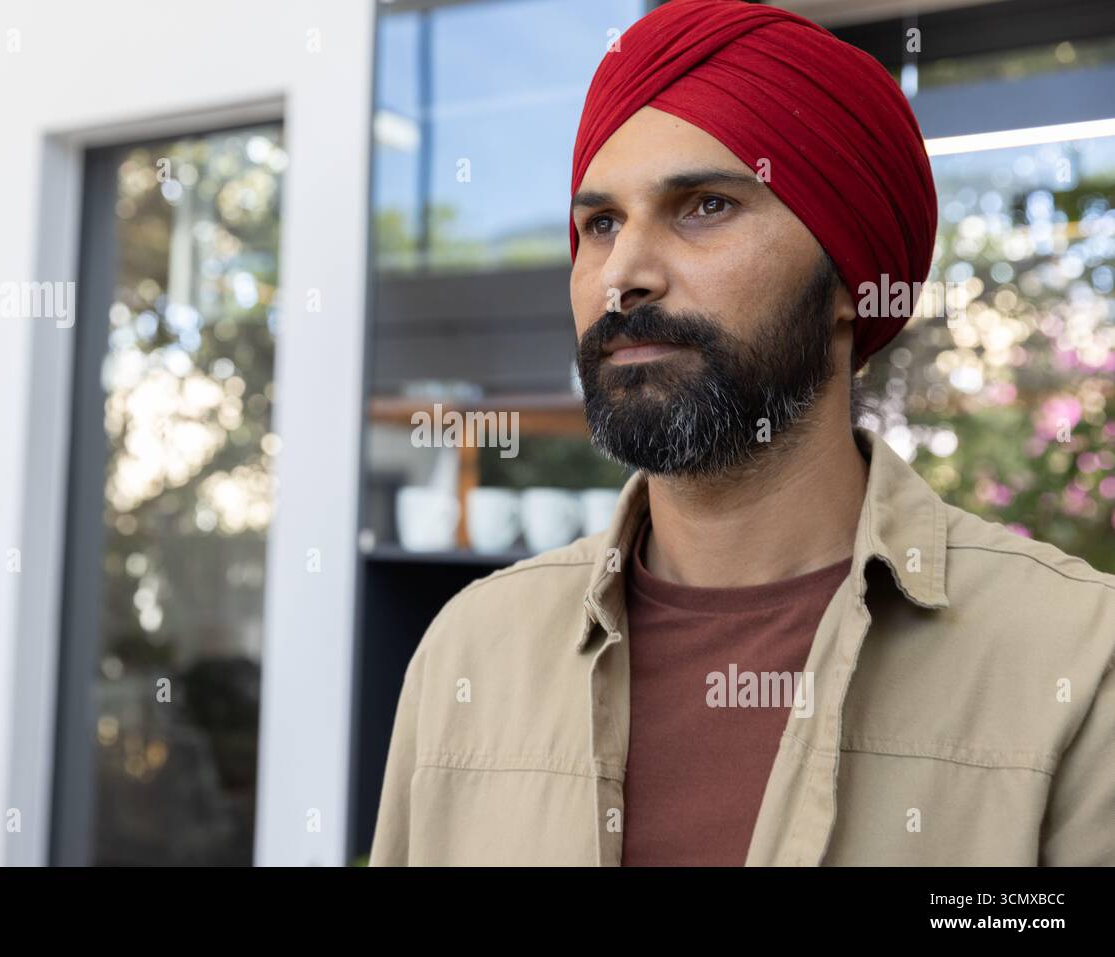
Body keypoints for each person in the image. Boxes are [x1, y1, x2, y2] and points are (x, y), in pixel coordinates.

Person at [369, 0, 1115, 866]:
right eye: (600, 223)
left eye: (705, 206)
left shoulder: (1073, 661)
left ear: (849, 279)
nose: (623, 275)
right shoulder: (471, 653)